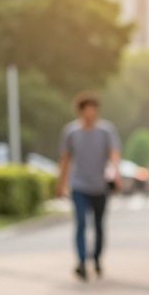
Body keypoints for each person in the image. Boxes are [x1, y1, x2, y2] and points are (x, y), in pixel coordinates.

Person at [56, 92, 121, 281]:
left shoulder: (106, 131)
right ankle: (82, 262)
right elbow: (66, 160)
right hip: (79, 186)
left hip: (100, 186)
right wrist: (61, 184)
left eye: (94, 110)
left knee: (99, 226)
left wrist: (116, 174)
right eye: (87, 110)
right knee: (81, 224)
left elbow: (114, 154)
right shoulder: (71, 132)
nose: (91, 114)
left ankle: (97, 258)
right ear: (80, 112)